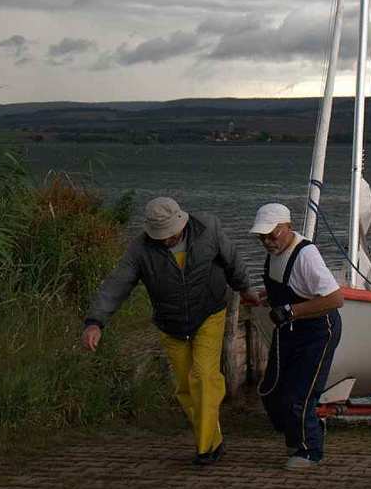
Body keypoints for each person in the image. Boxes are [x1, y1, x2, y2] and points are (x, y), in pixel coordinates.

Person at [82, 196, 260, 467]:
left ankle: (205, 449)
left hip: (209, 313)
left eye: (170, 234)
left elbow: (232, 259)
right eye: (160, 235)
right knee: (186, 387)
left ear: (181, 222)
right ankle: (213, 437)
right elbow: (117, 283)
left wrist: (245, 288)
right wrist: (95, 321)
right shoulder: (140, 249)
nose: (166, 239)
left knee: (203, 376)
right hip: (170, 322)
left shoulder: (208, 228)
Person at [249, 201, 343, 471]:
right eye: (262, 237)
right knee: (271, 389)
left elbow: (336, 299)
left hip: (317, 331)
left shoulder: (306, 255)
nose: (267, 241)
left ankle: (310, 450)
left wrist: (290, 310)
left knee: (299, 394)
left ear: (288, 227)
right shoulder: (276, 251)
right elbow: (290, 286)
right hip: (290, 328)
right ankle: (297, 435)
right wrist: (266, 297)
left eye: (272, 234)